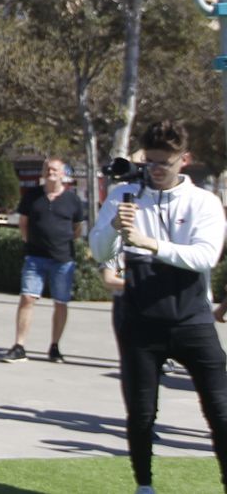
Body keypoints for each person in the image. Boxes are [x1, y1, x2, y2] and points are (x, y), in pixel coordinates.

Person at [90, 120, 227, 494]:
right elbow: (100, 252)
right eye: (150, 161)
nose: (155, 169)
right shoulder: (124, 195)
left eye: (164, 162)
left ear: (185, 159)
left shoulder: (204, 202)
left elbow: (205, 257)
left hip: (192, 319)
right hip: (139, 320)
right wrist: (115, 229)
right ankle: (144, 486)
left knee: (220, 410)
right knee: (141, 413)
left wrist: (149, 243)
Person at [2, 156, 86, 364]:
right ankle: (19, 345)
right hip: (35, 258)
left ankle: (55, 347)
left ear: (63, 173)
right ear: (42, 173)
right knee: (27, 299)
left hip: (63, 260)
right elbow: (23, 223)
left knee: (60, 302)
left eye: (55, 169)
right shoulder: (32, 196)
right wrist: (29, 242)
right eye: (47, 169)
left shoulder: (72, 200)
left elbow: (77, 228)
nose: (51, 172)